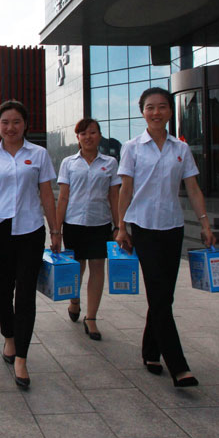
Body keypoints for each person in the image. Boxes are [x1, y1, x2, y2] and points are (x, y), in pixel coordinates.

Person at [115, 87, 216, 388]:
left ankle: (150, 351)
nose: (156, 112)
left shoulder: (180, 149)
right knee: (158, 294)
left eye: (161, 107)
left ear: (170, 111)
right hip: (143, 227)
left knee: (164, 296)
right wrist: (121, 227)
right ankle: (179, 366)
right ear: (142, 112)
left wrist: (205, 225)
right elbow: (125, 189)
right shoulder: (132, 148)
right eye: (150, 107)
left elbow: (193, 188)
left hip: (172, 227)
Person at [0, 100, 61, 389]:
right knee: (3, 292)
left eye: (16, 122)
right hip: (0, 231)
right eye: (5, 122)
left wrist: (55, 230)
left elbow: (46, 194)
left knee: (25, 295)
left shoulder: (38, 154)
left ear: (25, 125)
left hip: (31, 230)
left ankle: (21, 356)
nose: (11, 127)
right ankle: (8, 336)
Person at [55, 118, 121, 341]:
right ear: (78, 138)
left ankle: (91, 317)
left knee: (97, 267)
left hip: (100, 223)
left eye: (92, 133)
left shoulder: (110, 163)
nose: (88, 137)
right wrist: (56, 229)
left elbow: (114, 196)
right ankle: (74, 300)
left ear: (99, 136)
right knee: (78, 267)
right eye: (83, 133)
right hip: (73, 223)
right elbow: (63, 197)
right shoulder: (68, 163)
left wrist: (119, 226)